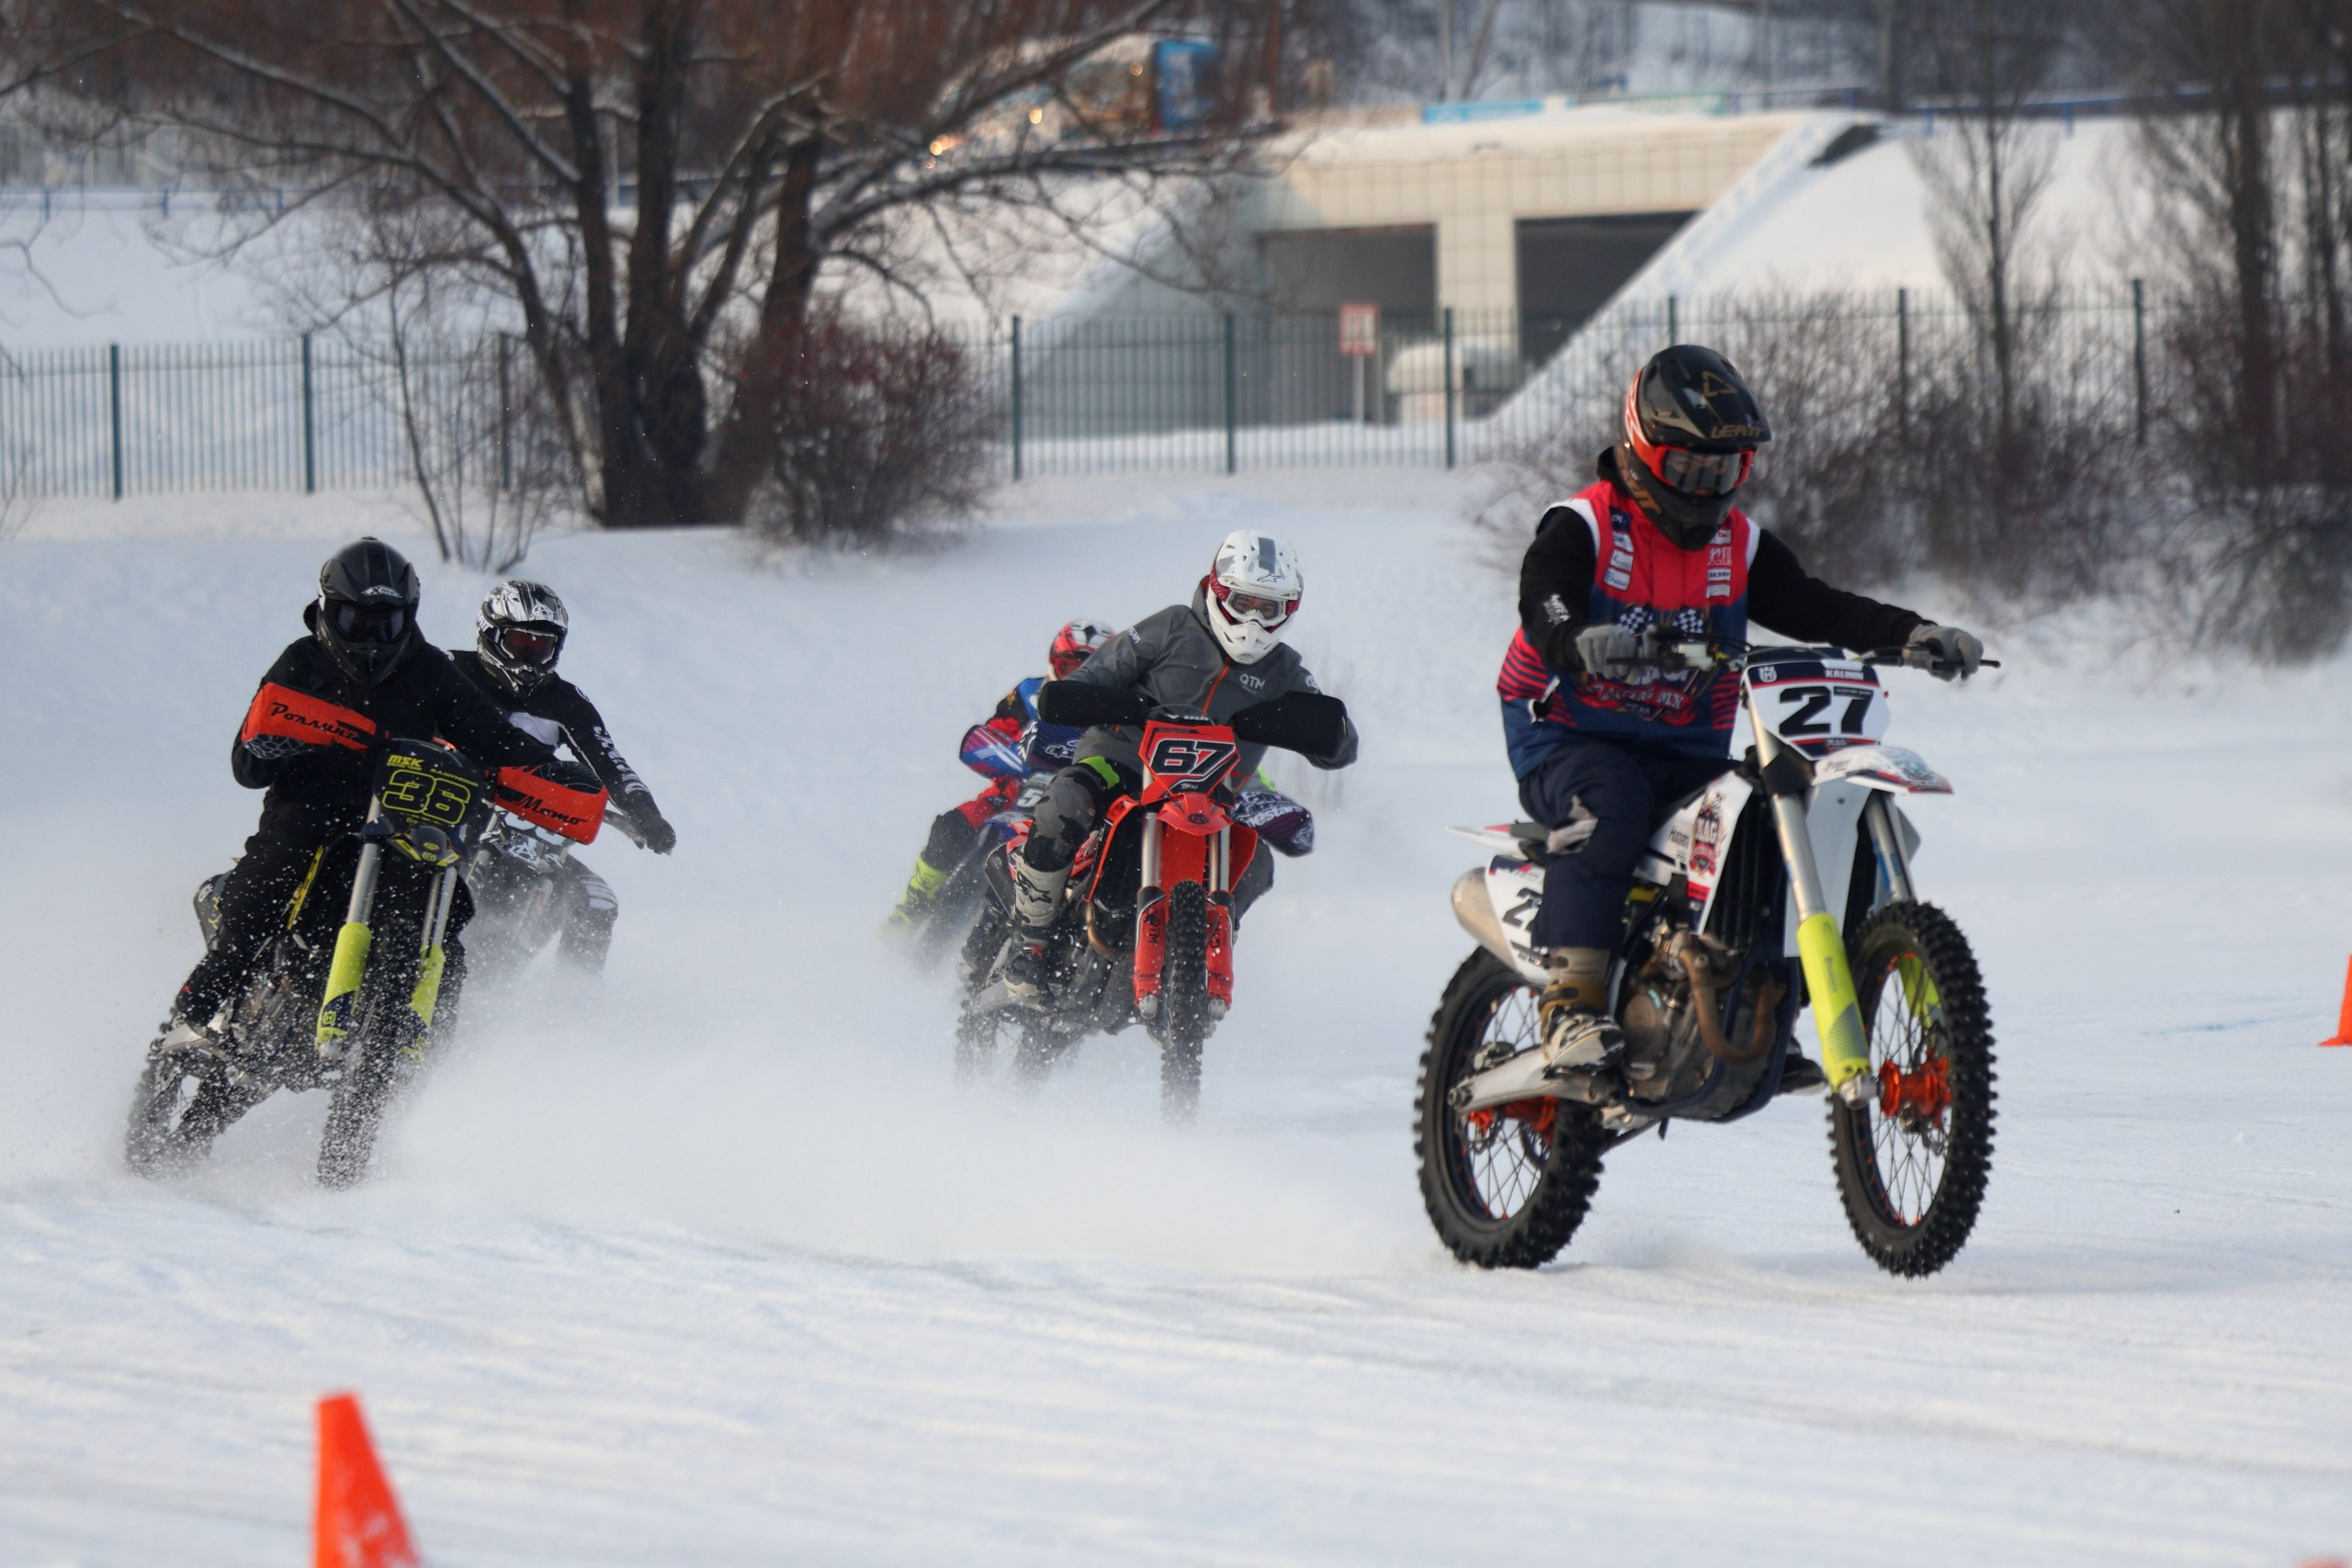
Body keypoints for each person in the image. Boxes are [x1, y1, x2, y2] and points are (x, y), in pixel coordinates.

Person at [1498, 344, 1984, 1085]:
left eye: (1726, 470)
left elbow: (1818, 604)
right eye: (1691, 468)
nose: (1709, 485)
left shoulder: (1739, 544)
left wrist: (1912, 633)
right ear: (1641, 447)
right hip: (1567, 731)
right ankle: (1570, 1004)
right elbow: (1545, 597)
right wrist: (1575, 638)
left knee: (1760, 819)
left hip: (1684, 742)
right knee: (1613, 803)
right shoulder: (1586, 526)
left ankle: (1766, 1005)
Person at [161, 538, 563, 1050]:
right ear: (330, 611)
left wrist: (547, 768)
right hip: (313, 809)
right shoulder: (301, 662)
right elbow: (246, 766)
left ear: (407, 617)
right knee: (269, 877)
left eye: (386, 623)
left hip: (403, 821)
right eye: (358, 622)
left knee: (453, 911)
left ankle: (422, 1050)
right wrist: (271, 747)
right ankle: (206, 991)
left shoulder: (431, 670)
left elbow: (490, 733)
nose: (372, 636)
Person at [1000, 531, 1358, 998]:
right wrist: (1124, 705)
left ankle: (1204, 949)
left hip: (1212, 795)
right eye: (1243, 602)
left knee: (1257, 864)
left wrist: (1304, 726)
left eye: (1267, 608)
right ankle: (1033, 941)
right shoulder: (1169, 627)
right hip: (1121, 766)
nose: (1252, 618)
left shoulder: (1286, 670)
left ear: (1287, 610)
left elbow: (1339, 741)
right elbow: (1091, 676)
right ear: (1217, 589)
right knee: (1065, 800)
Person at [451, 580, 677, 976]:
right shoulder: (447, 671)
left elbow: (610, 763)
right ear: (489, 633)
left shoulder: (565, 700)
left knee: (596, 900)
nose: (530, 656)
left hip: (523, 828)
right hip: (444, 815)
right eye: (520, 642)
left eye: (542, 646)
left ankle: (572, 1013)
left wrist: (646, 813)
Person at [880, 617, 1116, 940]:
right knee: (951, 827)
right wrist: (1021, 755)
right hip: (1010, 798)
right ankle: (912, 905)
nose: (1076, 677)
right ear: (1053, 664)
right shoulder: (1030, 694)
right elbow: (980, 740)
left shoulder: (1116, 710)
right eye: (1068, 667)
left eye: (1088, 669)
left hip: (1078, 811)